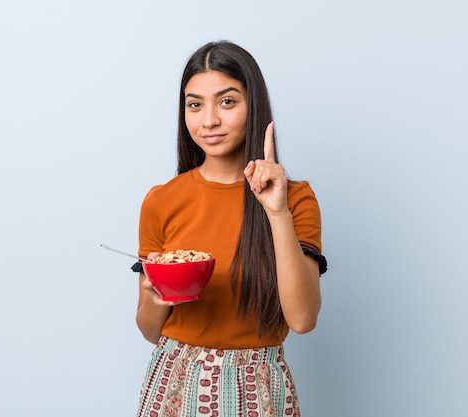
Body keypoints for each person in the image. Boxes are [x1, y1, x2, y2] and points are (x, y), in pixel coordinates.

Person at [132, 40, 327, 417]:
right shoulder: (161, 200)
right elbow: (149, 330)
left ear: (253, 106)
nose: (209, 121)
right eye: (194, 104)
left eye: (227, 101)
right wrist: (158, 298)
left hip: (258, 387)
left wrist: (276, 213)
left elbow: (302, 320)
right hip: (173, 383)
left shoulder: (296, 198)